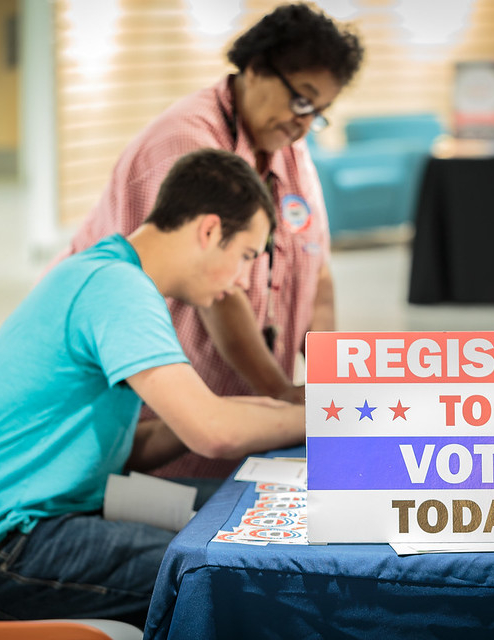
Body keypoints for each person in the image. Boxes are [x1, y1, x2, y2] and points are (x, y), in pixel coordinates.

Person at [0, 149, 306, 628]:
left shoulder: (106, 272)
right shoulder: (118, 289)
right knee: (229, 569)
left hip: (43, 516)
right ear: (209, 231)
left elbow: (134, 445)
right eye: (246, 256)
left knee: (244, 504)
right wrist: (324, 415)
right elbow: (213, 433)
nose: (242, 280)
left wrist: (250, 408)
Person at [46, 3, 363, 477]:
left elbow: (315, 270)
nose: (304, 123)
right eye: (302, 100)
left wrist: (329, 387)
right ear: (256, 69)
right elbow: (216, 288)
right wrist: (279, 394)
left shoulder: (289, 148)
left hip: (225, 412)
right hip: (152, 418)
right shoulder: (186, 143)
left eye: (319, 113)